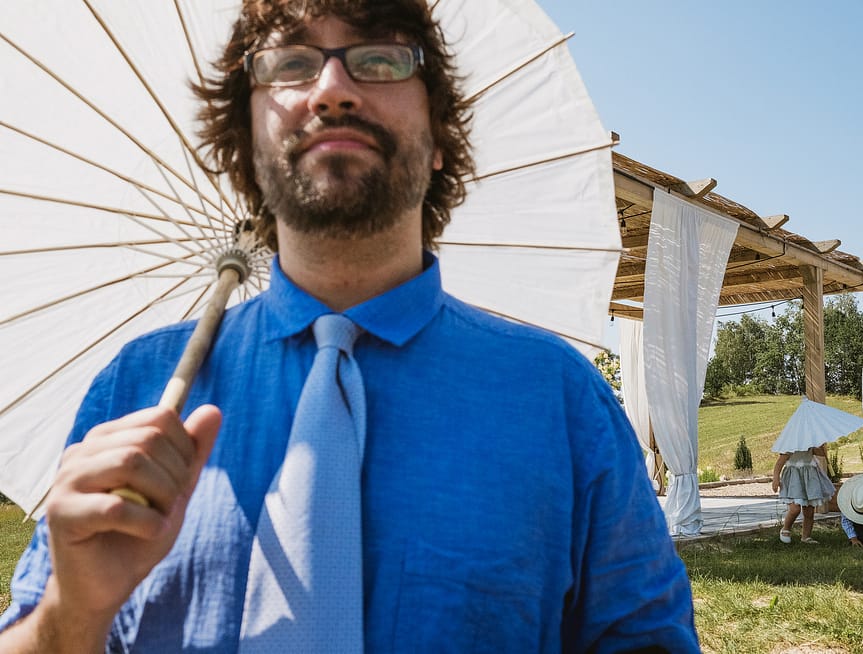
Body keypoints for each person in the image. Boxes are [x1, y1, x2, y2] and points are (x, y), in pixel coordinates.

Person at [0, 1, 700, 652]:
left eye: (381, 59)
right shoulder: (135, 388)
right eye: (290, 63)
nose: (332, 89)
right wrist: (71, 609)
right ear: (247, 143)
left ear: (438, 137)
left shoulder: (561, 401)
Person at [771, 444, 836, 544]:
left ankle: (806, 536)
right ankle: (786, 528)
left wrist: (821, 446)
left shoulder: (810, 445)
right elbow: (779, 463)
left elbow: (821, 454)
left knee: (809, 511)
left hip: (810, 479)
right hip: (794, 480)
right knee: (795, 509)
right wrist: (776, 478)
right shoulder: (789, 446)